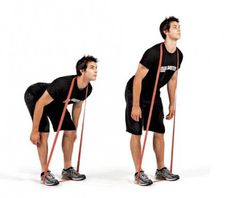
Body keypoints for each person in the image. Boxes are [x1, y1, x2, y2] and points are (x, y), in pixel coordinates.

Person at [125, 16, 183, 186]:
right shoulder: (154, 53)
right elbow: (137, 79)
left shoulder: (179, 56)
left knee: (159, 130)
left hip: (153, 94)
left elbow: (172, 80)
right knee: (136, 131)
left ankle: (160, 169)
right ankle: (138, 172)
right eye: (174, 27)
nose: (179, 29)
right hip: (136, 92)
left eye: (179, 26)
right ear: (166, 31)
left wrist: (172, 103)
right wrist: (135, 105)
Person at [24, 55, 97, 186]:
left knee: (69, 130)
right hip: (36, 96)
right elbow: (40, 103)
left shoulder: (88, 89)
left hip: (55, 101)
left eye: (96, 68)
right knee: (43, 133)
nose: (96, 70)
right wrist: (34, 130)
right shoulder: (62, 84)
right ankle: (45, 173)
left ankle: (67, 169)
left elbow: (77, 106)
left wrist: (74, 129)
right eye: (92, 67)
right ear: (82, 70)